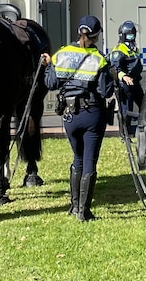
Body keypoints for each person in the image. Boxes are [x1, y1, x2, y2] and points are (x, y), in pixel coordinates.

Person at [41, 15, 114, 221]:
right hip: (92, 114)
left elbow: (51, 83)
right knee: (89, 161)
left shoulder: (62, 54)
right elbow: (105, 90)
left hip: (69, 116)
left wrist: (48, 64)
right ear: (97, 35)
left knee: (78, 158)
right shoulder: (99, 59)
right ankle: (84, 211)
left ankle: (74, 206)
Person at [108, 20, 144, 132]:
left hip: (135, 82)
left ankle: (144, 129)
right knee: (126, 110)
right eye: (129, 35)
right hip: (124, 85)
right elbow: (114, 68)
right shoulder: (118, 50)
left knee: (144, 105)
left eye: (133, 35)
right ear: (122, 35)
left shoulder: (133, 49)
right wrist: (124, 77)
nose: (131, 37)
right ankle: (125, 134)